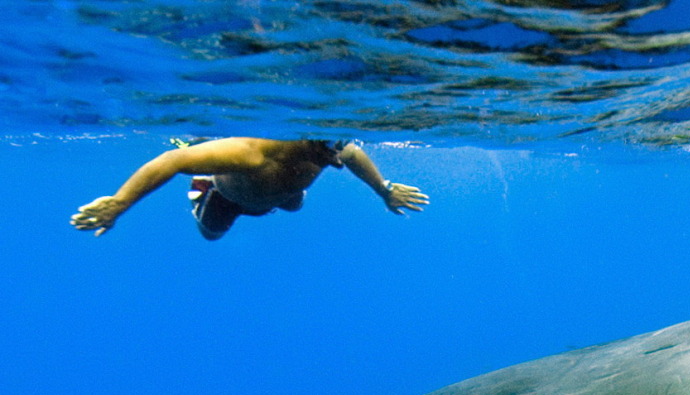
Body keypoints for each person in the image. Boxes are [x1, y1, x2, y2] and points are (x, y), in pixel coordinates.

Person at [70, 137, 428, 240]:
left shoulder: (332, 147)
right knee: (211, 234)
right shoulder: (251, 153)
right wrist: (119, 203)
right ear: (305, 137)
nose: (336, 161)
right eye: (330, 154)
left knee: (294, 204)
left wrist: (385, 190)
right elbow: (170, 162)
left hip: (277, 196)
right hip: (229, 196)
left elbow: (352, 156)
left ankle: (278, 199)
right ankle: (204, 180)